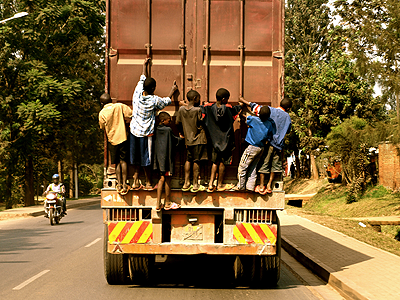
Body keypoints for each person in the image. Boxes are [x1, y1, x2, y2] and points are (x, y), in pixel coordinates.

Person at [129, 58, 178, 190]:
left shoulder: (137, 92)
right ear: (153, 89)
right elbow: (166, 102)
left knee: (135, 157)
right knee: (146, 158)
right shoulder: (153, 100)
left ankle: (135, 180)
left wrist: (144, 65)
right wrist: (173, 90)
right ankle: (148, 182)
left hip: (134, 131)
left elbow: (142, 78)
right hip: (146, 133)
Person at [240, 97, 292, 194]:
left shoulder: (270, 110)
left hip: (269, 143)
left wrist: (243, 101)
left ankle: (261, 186)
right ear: (288, 108)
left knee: (264, 164)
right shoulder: (287, 117)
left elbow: (255, 107)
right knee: (275, 166)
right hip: (279, 146)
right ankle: (269, 185)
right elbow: (288, 131)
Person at [201, 88, 241, 192]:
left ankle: (210, 184)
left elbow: (200, 108)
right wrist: (242, 104)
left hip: (215, 142)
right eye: (227, 98)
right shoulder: (228, 109)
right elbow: (236, 110)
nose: (228, 100)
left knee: (215, 162)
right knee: (223, 163)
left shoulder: (209, 108)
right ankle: (219, 184)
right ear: (223, 99)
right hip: (226, 142)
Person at [235, 105, 276, 191]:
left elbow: (245, 118)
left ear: (259, 114)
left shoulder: (253, 119)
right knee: (253, 168)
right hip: (261, 148)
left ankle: (240, 186)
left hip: (251, 148)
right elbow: (270, 134)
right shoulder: (269, 123)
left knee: (242, 167)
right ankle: (250, 187)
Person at [99, 93, 132, 195]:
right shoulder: (119, 106)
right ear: (111, 100)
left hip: (112, 140)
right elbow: (130, 113)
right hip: (123, 138)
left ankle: (119, 184)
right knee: (123, 161)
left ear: (101, 103)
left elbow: (102, 127)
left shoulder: (102, 113)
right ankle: (125, 184)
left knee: (116, 162)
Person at [176, 90, 208, 193]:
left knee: (188, 159)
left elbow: (177, 122)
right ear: (195, 98)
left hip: (188, 139)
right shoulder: (197, 110)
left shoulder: (181, 109)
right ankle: (195, 184)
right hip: (198, 139)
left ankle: (186, 183)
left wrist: (182, 132)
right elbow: (201, 122)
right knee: (196, 160)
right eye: (198, 98)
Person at [153, 112, 182, 210]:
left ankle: (158, 203)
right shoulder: (168, 130)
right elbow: (174, 141)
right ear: (162, 120)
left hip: (158, 159)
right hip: (167, 159)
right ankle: (167, 202)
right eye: (169, 120)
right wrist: (181, 139)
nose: (170, 122)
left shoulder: (156, 130)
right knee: (167, 180)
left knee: (161, 179)